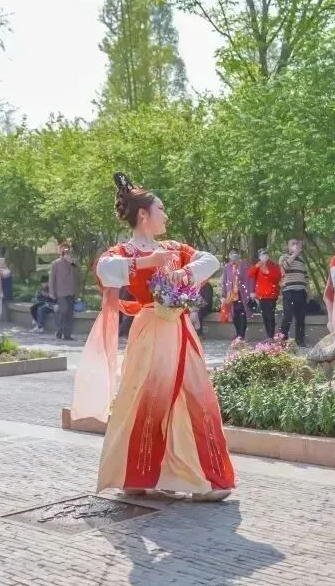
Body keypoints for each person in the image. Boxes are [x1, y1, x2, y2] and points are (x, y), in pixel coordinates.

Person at [72, 172, 234, 502]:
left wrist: (184, 272)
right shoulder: (124, 251)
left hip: (179, 329)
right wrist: (146, 261)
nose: (166, 215)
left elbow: (211, 260)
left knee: (195, 397)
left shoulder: (173, 248)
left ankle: (204, 478)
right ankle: (138, 474)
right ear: (144, 214)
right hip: (149, 330)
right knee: (142, 398)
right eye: (161, 209)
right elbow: (104, 270)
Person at [279, 239, 309, 346]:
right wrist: (294, 254)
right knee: (288, 315)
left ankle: (300, 341)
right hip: (289, 291)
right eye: (293, 244)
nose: (295, 245)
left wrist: (308, 291)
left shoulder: (302, 261)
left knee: (301, 317)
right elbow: (284, 267)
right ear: (288, 246)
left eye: (297, 244)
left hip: (301, 291)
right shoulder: (284, 257)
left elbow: (306, 277)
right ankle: (282, 340)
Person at [248, 249, 283, 339]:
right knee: (265, 316)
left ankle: (271, 335)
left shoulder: (274, 265)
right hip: (261, 295)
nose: (264, 257)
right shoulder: (258, 266)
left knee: (270, 315)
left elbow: (277, 278)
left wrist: (267, 271)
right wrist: (257, 265)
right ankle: (269, 335)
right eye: (262, 255)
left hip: (272, 294)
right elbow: (250, 274)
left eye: (266, 255)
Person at [220, 250, 253, 340]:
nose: (233, 257)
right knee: (234, 314)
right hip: (231, 294)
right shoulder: (227, 267)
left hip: (242, 293)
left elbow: (250, 279)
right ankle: (238, 333)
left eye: (235, 255)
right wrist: (223, 295)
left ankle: (241, 335)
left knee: (242, 313)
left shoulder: (245, 266)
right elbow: (224, 281)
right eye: (231, 255)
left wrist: (251, 291)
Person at [50, 242, 79, 341]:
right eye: (63, 249)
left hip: (71, 292)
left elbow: (79, 274)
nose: (65, 251)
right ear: (60, 251)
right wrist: (52, 292)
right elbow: (52, 279)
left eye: (67, 250)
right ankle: (59, 331)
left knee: (69, 314)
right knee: (63, 311)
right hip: (61, 292)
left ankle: (67, 335)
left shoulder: (73, 262)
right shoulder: (55, 263)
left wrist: (71, 262)